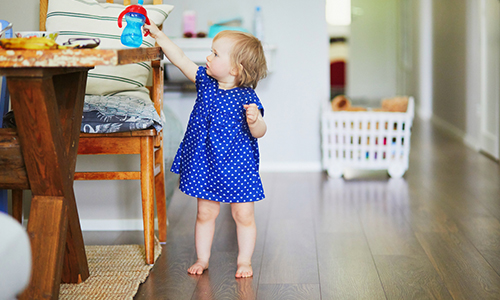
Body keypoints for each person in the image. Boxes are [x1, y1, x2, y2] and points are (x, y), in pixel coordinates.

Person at [144, 22, 267, 278]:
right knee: (205, 212)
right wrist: (158, 35)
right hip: (206, 162)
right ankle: (203, 257)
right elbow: (179, 58)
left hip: (238, 166)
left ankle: (244, 260)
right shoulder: (205, 81)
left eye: (215, 54)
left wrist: (255, 121)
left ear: (236, 68)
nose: (208, 58)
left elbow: (260, 132)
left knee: (242, 214)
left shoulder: (247, 97)